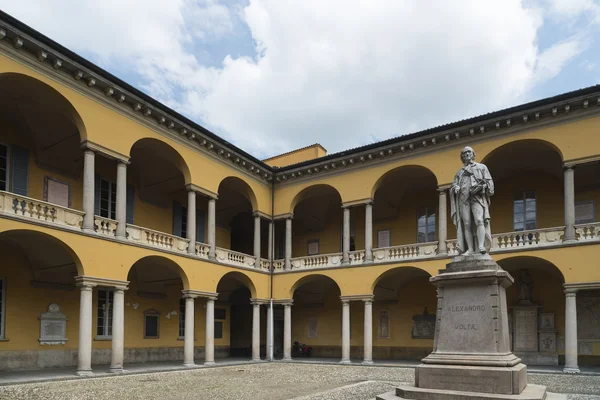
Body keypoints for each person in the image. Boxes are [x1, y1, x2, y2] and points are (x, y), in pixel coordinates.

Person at [450, 146, 494, 255]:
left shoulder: (482, 167)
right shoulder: (459, 173)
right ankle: (469, 249)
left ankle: (480, 246)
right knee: (466, 224)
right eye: (464, 153)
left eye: (469, 152)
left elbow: (490, 185)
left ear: (473, 154)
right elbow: (454, 186)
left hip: (477, 198)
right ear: (462, 157)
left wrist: (481, 187)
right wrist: (455, 188)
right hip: (463, 199)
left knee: (479, 220)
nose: (466, 154)